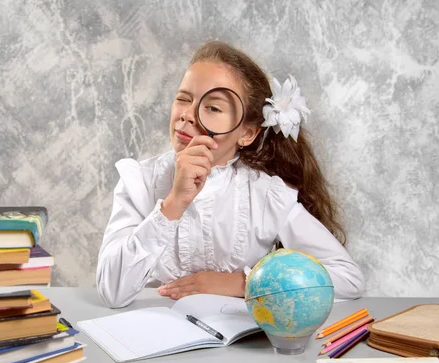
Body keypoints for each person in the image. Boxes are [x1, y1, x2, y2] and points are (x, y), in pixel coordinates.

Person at [96, 40, 365, 308]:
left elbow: (348, 278)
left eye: (212, 107)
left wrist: (243, 283)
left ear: (246, 133)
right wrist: (173, 203)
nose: (188, 115)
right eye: (183, 99)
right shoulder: (137, 181)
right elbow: (112, 291)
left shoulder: (265, 194)